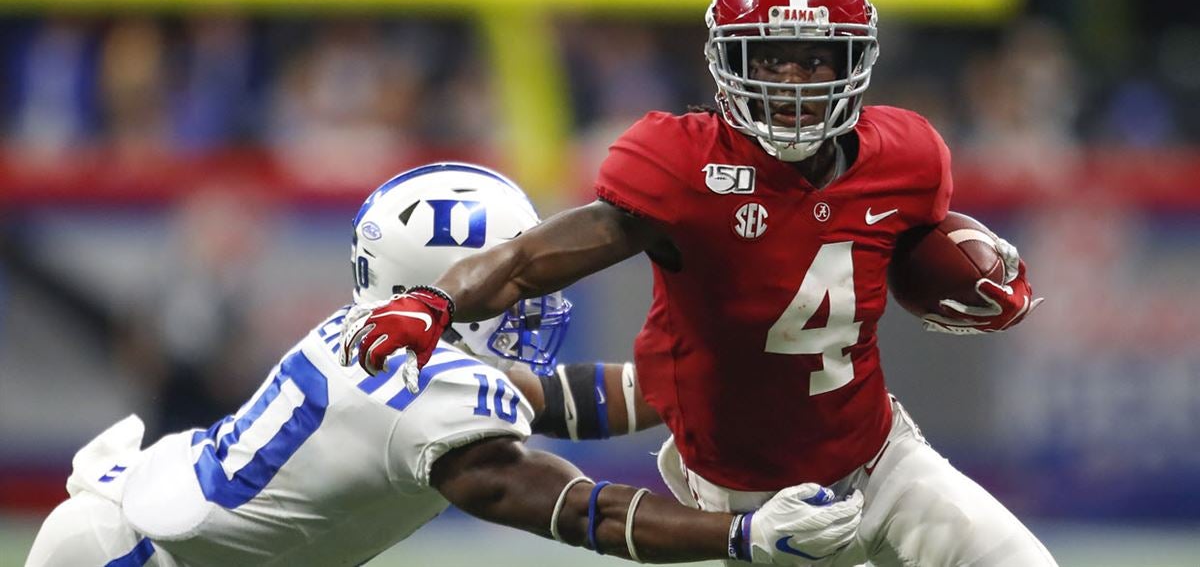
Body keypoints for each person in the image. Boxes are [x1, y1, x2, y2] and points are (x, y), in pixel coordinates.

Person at [341, 0, 1056, 566]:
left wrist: (982, 276)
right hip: (733, 499)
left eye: (815, 58)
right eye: (771, 57)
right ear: (727, 61)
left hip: (880, 460)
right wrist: (437, 300)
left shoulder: (908, 157)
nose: (795, 84)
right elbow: (531, 258)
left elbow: (918, 253)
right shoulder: (682, 166)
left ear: (855, 61)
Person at [25, 163, 863, 567]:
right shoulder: (421, 397)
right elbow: (585, 512)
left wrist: (715, 378)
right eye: (508, 271)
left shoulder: (394, 343)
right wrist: (744, 535)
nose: (522, 287)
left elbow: (555, 397)